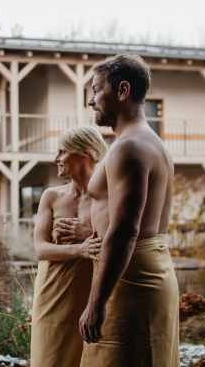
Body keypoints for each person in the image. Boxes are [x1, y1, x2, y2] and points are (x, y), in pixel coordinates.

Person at [79, 54, 180, 366]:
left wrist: (96, 302)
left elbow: (125, 231)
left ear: (122, 91)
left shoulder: (129, 147)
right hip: (143, 271)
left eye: (96, 90)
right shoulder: (149, 143)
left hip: (129, 280)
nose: (90, 100)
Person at [31, 126, 108, 367]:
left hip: (89, 296)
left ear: (83, 155)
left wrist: (92, 235)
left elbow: (123, 244)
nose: (56, 159)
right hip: (51, 293)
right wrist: (79, 249)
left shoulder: (107, 198)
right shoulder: (51, 196)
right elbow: (41, 249)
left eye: (62, 152)